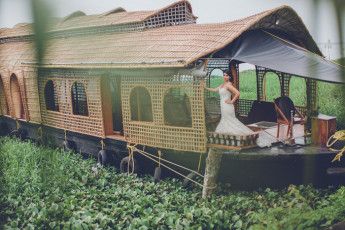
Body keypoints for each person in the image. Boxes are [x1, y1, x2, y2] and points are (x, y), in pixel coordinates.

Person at [203, 70, 273, 147]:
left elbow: (237, 93)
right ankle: (227, 137)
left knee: (230, 120)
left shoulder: (229, 85)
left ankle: (235, 136)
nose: (225, 77)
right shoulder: (223, 85)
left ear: (229, 77)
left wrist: (231, 101)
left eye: (226, 75)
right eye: (224, 75)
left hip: (227, 106)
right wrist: (205, 87)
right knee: (225, 120)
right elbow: (214, 90)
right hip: (223, 105)